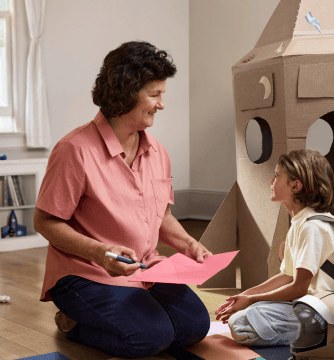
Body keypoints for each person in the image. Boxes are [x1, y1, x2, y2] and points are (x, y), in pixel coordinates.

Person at [35, 41, 211, 358]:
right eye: (154, 95)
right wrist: (99, 251)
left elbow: (163, 216)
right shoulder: (74, 150)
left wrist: (188, 244)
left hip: (145, 269)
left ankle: (134, 313)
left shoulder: (158, 152)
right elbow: (46, 221)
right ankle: (71, 322)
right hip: (85, 272)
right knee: (151, 338)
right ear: (128, 92)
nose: (161, 104)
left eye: (162, 95)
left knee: (193, 328)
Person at [215, 149, 334, 346]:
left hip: (326, 312)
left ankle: (321, 337)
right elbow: (287, 276)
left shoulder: (311, 227)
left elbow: (299, 288)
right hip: (310, 305)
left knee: (239, 323)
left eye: (276, 176)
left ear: (295, 185)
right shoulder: (301, 223)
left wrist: (252, 301)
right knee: (246, 312)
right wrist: (246, 295)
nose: (270, 182)